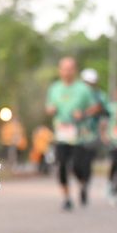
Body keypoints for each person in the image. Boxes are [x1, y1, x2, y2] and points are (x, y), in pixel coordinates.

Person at [45, 57, 98, 211]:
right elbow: (48, 107)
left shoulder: (84, 89)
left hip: (79, 135)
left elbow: (95, 107)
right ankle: (66, 198)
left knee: (77, 166)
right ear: (59, 70)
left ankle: (83, 184)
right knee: (61, 165)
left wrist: (83, 113)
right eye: (64, 69)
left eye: (70, 69)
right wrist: (51, 110)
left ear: (75, 70)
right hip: (61, 134)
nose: (67, 72)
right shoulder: (54, 88)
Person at [77, 68, 108, 203]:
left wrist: (103, 133)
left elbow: (105, 113)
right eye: (86, 82)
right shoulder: (76, 94)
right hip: (75, 135)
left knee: (87, 163)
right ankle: (81, 181)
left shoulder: (99, 96)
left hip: (92, 135)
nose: (88, 85)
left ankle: (85, 184)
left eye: (91, 83)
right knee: (76, 165)